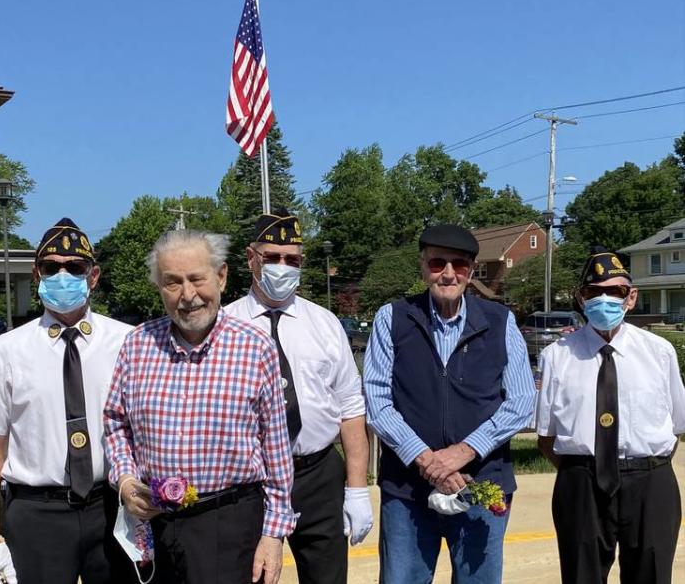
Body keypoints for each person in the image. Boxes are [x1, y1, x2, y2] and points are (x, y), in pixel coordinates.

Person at [103, 229, 296, 584]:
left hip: (228, 524)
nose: (188, 295)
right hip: (153, 524)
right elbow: (115, 424)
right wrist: (127, 481)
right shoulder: (137, 345)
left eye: (197, 279)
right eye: (172, 283)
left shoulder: (255, 348)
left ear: (221, 276)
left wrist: (273, 534)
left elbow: (276, 451)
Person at [0, 217, 136, 584]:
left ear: (93, 276)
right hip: (36, 516)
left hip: (110, 510)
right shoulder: (7, 350)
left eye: (75, 267)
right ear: (37, 273)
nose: (63, 275)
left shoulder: (129, 343)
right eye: (51, 267)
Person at [364, 223, 536, 584]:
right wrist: (427, 461)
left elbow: (521, 402)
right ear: (422, 266)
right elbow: (378, 400)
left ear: (471, 271)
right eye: (437, 262)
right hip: (408, 488)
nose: (447, 273)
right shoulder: (392, 318)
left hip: (480, 483)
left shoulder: (500, 322)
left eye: (459, 265)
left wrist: (464, 451)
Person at [225, 209, 372, 584]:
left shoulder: (324, 324)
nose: (282, 267)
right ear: (250, 258)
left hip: (318, 474)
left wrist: (356, 489)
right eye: (271, 257)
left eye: (292, 259)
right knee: (254, 576)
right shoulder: (225, 327)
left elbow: (351, 409)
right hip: (251, 482)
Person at [536, 247, 685, 584]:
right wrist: (589, 468)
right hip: (582, 484)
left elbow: (675, 427)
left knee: (651, 574)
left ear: (631, 298)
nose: (604, 299)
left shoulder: (659, 353)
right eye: (593, 292)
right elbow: (546, 438)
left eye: (614, 292)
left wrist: (637, 465)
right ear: (580, 298)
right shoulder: (556, 356)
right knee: (581, 576)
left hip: (649, 481)